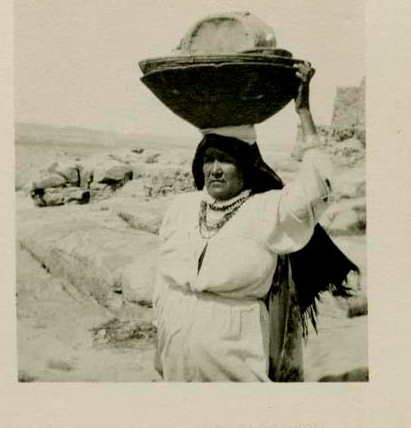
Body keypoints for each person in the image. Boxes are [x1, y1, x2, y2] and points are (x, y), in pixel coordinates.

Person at [153, 62, 358, 382]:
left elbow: (318, 187)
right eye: (209, 159)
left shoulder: (267, 209)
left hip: (236, 360)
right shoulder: (181, 207)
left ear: (247, 167)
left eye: (227, 160)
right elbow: (162, 285)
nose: (215, 169)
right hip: (175, 357)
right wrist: (160, 343)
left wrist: (303, 111)